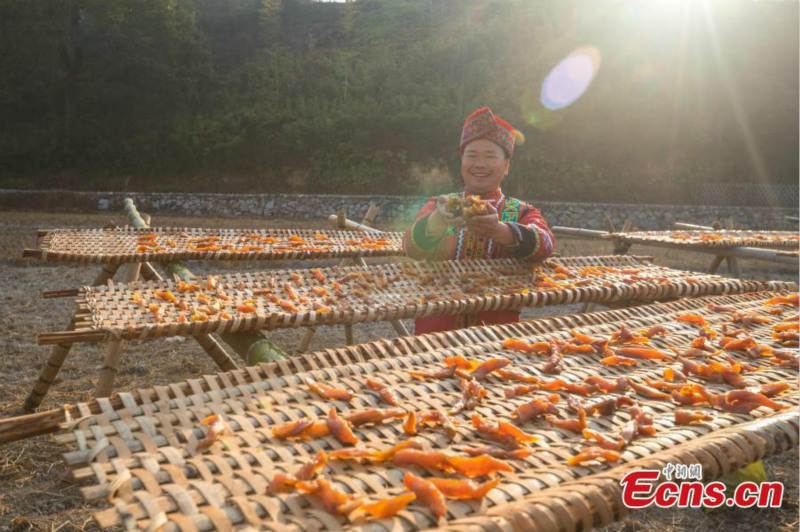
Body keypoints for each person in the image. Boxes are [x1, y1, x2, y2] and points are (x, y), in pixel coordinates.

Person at [403, 106, 555, 334]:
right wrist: (438, 222)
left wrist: (501, 231)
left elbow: (545, 245)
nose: (479, 164)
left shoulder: (521, 211)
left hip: (496, 338)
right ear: (462, 163)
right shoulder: (440, 205)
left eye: (490, 156)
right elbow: (410, 247)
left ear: (506, 166)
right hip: (434, 336)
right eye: (471, 156)